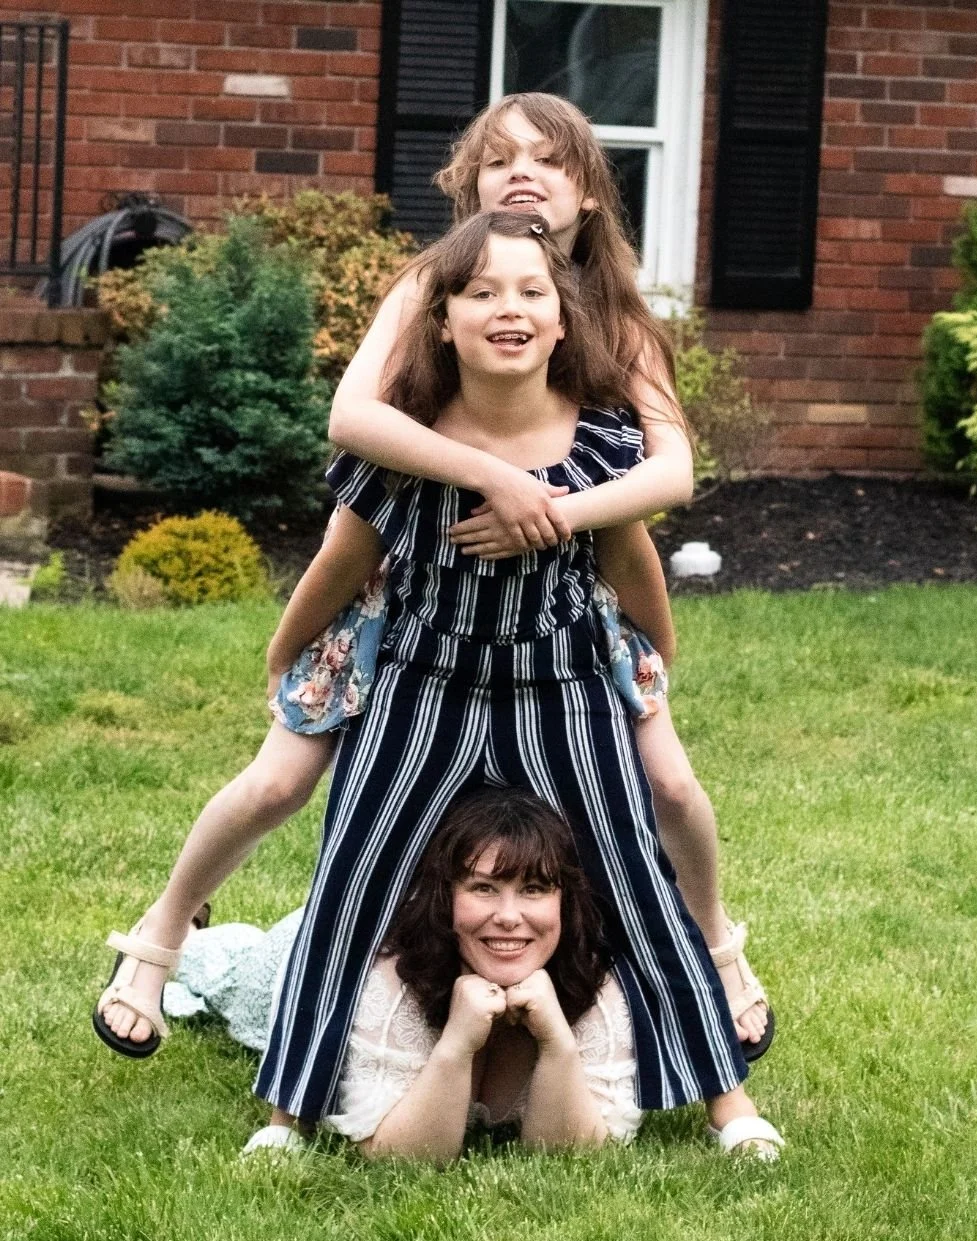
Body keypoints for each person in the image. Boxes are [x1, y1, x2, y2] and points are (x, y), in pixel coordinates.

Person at [94, 91, 769, 1063]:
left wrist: (548, 513)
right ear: (467, 187)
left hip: (565, 599)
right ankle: (159, 939)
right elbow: (351, 423)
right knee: (278, 777)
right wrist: (492, 475)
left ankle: (716, 951)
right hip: (402, 589)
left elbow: (667, 475)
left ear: (589, 196)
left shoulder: (617, 321)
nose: (524, 173)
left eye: (551, 160)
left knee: (666, 780)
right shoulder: (430, 285)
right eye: (500, 160)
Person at [249, 210, 778, 1155]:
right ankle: (288, 1114)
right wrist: (285, 652)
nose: (510, 309)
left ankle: (726, 1105)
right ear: (441, 319)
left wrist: (656, 657)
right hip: (424, 691)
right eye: (481, 291)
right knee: (351, 877)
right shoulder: (402, 451)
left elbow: (633, 566)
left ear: (564, 321)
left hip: (564, 690)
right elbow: (340, 560)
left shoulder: (606, 449)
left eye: (533, 291)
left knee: (632, 871)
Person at [168, 789, 781, 1159]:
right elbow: (395, 1157)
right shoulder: (384, 979)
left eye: (534, 889)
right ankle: (187, 937)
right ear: (446, 895)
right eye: (483, 888)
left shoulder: (603, 984)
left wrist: (556, 1041)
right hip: (293, 958)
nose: (509, 918)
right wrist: (458, 1041)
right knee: (229, 974)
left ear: (565, 901)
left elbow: (574, 1153)